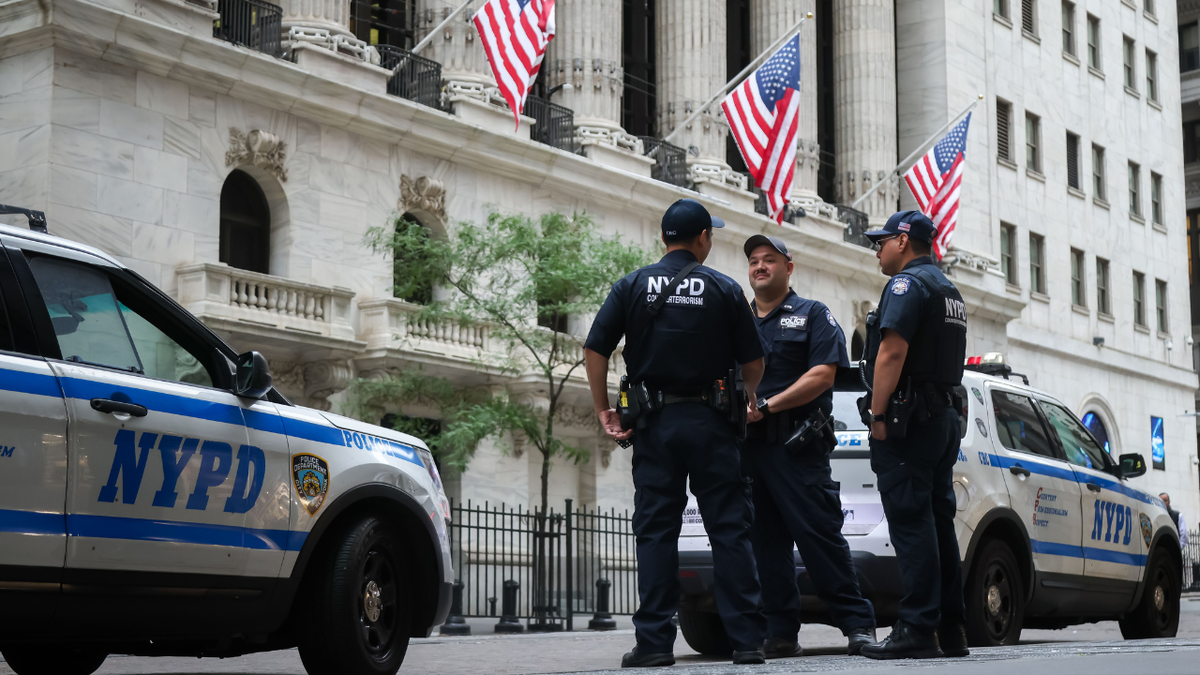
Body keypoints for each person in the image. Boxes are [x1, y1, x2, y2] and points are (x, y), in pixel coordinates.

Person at [583, 198, 768, 668]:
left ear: (664, 237)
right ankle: (747, 641)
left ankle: (654, 644)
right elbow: (754, 361)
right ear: (703, 238)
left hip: (655, 425)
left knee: (656, 532)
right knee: (729, 529)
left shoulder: (632, 285)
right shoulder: (724, 288)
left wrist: (604, 408)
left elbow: (595, 348)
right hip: (712, 425)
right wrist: (746, 398)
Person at [739, 235, 878, 658]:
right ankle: (780, 632)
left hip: (796, 448)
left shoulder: (813, 314)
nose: (760, 266)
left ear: (788, 267)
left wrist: (768, 405)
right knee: (765, 545)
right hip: (749, 449)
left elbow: (823, 375)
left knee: (819, 538)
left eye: (769, 259)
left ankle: (858, 625)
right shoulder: (737, 320)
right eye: (754, 261)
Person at [858, 211, 969, 660]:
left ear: (903, 241)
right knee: (939, 521)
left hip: (911, 420)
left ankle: (918, 627)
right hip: (942, 418)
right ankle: (951, 627)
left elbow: (892, 352)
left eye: (881, 242)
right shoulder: (948, 289)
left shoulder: (906, 285)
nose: (877, 251)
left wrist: (877, 415)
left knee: (911, 521)